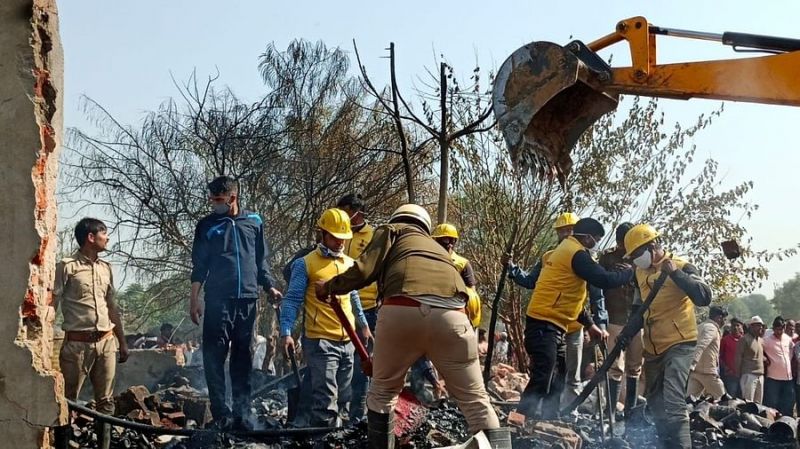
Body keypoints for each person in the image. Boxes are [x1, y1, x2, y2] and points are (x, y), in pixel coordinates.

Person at [317, 204, 509, 448]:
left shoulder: (393, 230)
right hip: (456, 318)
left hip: (402, 308)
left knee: (382, 393)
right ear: (426, 228)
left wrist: (329, 287)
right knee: (476, 400)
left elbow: (364, 270)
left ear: (398, 218)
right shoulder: (437, 249)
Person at [189, 176, 282, 430]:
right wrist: (194, 299)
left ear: (233, 198)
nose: (214, 204)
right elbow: (199, 266)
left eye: (218, 200)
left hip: (248, 300)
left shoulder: (254, 221)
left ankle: (242, 410)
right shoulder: (206, 226)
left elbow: (261, 261)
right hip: (218, 300)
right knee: (214, 355)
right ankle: (221, 412)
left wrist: (269, 286)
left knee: (243, 356)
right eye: (212, 200)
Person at [517, 217, 630, 420]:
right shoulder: (576, 253)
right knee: (544, 374)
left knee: (559, 376)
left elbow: (568, 299)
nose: (596, 244)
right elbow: (603, 280)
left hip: (554, 323)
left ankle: (549, 420)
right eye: (595, 239)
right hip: (543, 323)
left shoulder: (567, 251)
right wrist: (629, 273)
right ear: (587, 238)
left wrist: (591, 325)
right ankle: (520, 420)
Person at [503, 213, 609, 409]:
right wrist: (512, 269)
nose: (566, 234)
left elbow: (597, 295)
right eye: (562, 231)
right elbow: (530, 281)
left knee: (569, 374)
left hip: (575, 324)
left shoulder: (585, 258)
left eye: (569, 229)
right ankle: (536, 414)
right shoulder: (549, 257)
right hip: (550, 321)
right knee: (547, 369)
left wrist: (597, 325)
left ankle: (564, 414)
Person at [624, 224, 712, 449]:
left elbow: (704, 297)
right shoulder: (639, 273)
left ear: (652, 246)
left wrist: (675, 273)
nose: (635, 259)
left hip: (680, 343)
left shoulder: (683, 266)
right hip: (653, 348)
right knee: (655, 404)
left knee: (673, 401)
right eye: (632, 256)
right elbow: (638, 309)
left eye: (637, 254)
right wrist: (627, 333)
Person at [54, 218, 129, 447]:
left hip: (106, 343)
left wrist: (122, 341)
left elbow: (112, 307)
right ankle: (63, 444)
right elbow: (52, 303)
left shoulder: (106, 268)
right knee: (68, 402)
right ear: (90, 237)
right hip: (77, 345)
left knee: (106, 403)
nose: (107, 238)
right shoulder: (67, 266)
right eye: (104, 233)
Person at [337, 194, 379, 421]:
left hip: (367, 307)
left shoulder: (373, 237)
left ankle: (357, 416)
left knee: (363, 364)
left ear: (356, 212)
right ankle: (337, 413)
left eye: (345, 211)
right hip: (339, 308)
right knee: (340, 362)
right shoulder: (337, 235)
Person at [597, 222, 644, 417]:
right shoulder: (607, 258)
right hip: (614, 318)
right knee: (615, 366)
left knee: (634, 367)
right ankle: (610, 412)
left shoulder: (641, 260)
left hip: (636, 320)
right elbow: (598, 285)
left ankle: (630, 411)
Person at [432, 223, 483, 327]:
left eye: (453, 240)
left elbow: (471, 292)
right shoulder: (427, 260)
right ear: (435, 240)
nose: (450, 244)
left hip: (455, 309)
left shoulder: (463, 263)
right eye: (446, 240)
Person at [688, 306, 728, 399]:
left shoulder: (701, 326)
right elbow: (701, 345)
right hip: (708, 372)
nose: (724, 322)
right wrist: (693, 362)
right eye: (724, 319)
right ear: (719, 318)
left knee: (690, 401)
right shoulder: (712, 328)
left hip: (696, 372)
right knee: (724, 399)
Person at [762, 316, 794, 416]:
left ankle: (786, 423)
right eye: (777, 329)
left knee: (787, 402)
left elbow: (792, 350)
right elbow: (758, 349)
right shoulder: (767, 340)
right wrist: (764, 358)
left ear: (784, 328)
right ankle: (770, 424)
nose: (779, 332)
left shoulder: (788, 339)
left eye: (781, 329)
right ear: (773, 328)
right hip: (773, 378)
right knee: (772, 403)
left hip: (788, 378)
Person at [735, 316, 766, 403]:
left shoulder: (761, 340)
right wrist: (738, 374)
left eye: (761, 325)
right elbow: (738, 357)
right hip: (749, 375)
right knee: (748, 403)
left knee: (758, 405)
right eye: (757, 325)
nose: (760, 327)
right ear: (751, 326)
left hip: (760, 376)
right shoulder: (744, 339)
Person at [719, 318, 744, 397]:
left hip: (744, 375)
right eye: (733, 325)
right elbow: (719, 356)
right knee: (731, 398)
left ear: (741, 327)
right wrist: (725, 367)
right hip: (730, 375)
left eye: (738, 325)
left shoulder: (745, 340)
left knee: (743, 398)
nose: (735, 327)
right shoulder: (725, 340)